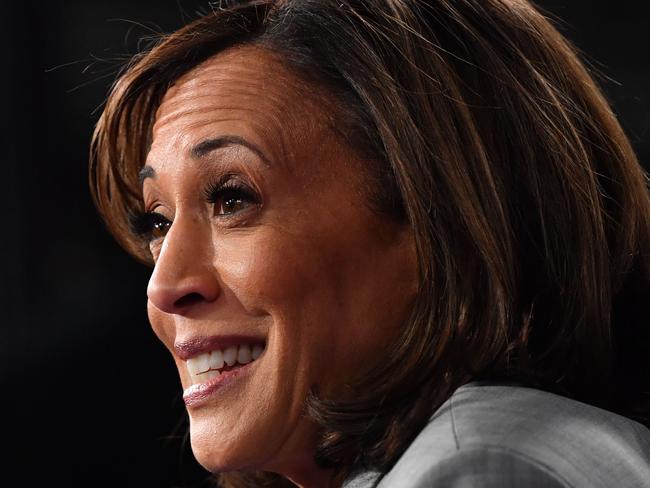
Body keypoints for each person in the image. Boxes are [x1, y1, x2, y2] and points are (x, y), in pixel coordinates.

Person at [89, 1, 650, 487]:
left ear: (440, 228)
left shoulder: (471, 468)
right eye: (158, 222)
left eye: (232, 198)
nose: (163, 287)